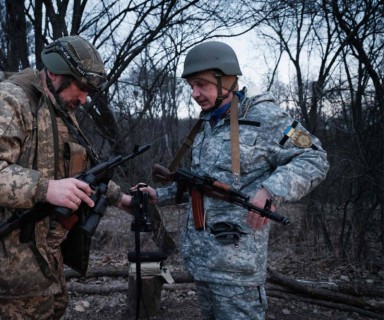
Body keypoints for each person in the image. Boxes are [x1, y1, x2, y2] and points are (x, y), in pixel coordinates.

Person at [139, 41, 329, 319]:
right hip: (203, 262)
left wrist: (270, 190)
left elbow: (315, 157)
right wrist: (160, 195)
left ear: (225, 79)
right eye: (191, 86)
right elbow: (201, 185)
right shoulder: (208, 124)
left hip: (238, 268)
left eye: (201, 84)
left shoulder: (269, 117)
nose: (195, 94)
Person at [0, 35, 129, 319]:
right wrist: (44, 188)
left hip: (45, 257)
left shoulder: (58, 109)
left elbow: (79, 173)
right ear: (55, 73)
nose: (84, 99)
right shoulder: (7, 100)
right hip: (8, 264)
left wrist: (122, 198)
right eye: (81, 88)